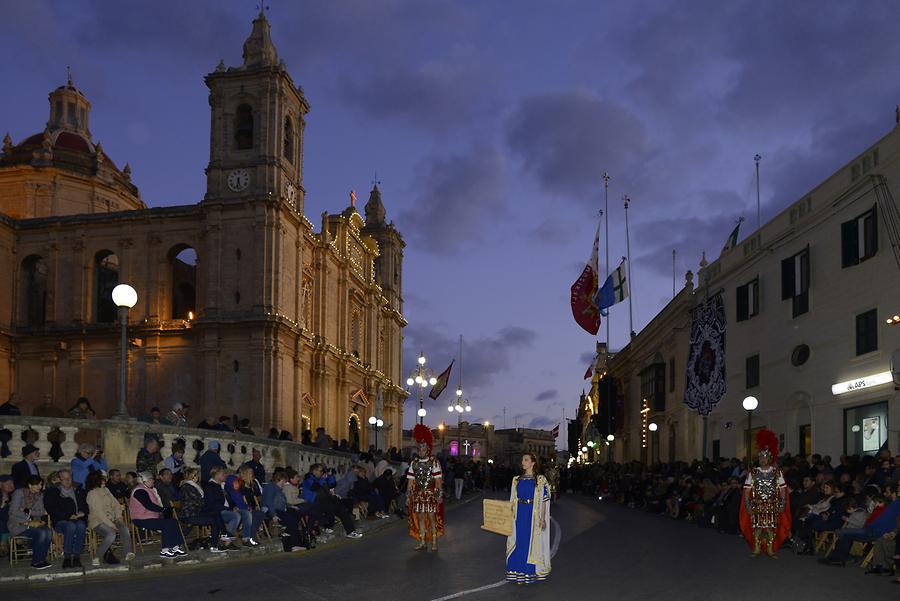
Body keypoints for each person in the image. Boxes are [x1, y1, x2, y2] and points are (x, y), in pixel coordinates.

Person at [739, 429, 791, 558]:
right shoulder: (753, 472)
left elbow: (783, 489)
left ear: (769, 458)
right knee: (757, 527)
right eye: (761, 457)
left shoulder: (776, 472)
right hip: (757, 503)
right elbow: (747, 490)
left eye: (765, 457)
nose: (762, 459)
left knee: (770, 528)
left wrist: (783, 503)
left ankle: (770, 549)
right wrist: (747, 504)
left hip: (772, 503)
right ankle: (756, 548)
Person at [506, 453, 551, 584]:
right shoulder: (516, 479)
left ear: (532, 463)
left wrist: (542, 519)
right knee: (518, 541)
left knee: (529, 543)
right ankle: (518, 571)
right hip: (519, 513)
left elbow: (544, 500)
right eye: (522, 459)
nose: (523, 462)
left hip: (532, 515)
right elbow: (512, 499)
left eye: (526, 460)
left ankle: (528, 572)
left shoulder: (540, 480)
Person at [129, 472, 186, 558]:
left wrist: (164, 509)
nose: (153, 481)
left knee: (173, 522)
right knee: (166, 524)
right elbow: (148, 505)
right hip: (140, 519)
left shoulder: (148, 489)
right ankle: (165, 550)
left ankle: (176, 547)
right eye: (152, 479)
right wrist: (163, 509)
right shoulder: (139, 491)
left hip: (150, 518)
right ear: (145, 480)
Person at [178, 467, 234, 552]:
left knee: (215, 514)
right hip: (189, 515)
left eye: (197, 474)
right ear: (191, 476)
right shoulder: (187, 487)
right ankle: (217, 541)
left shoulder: (195, 486)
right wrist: (209, 503)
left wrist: (209, 503)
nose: (198, 476)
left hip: (197, 512)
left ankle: (219, 539)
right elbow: (199, 502)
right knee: (214, 518)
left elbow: (202, 502)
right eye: (195, 475)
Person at [406, 424, 443, 551]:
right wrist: (408, 495)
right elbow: (410, 481)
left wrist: (438, 495)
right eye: (419, 450)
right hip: (418, 494)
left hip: (431, 494)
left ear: (427, 450)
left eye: (423, 449)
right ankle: (422, 541)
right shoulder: (414, 463)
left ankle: (433, 541)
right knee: (421, 517)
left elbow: (438, 480)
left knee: (432, 518)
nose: (421, 451)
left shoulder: (434, 462)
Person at [43, 468, 88, 568]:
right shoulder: (53, 492)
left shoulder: (79, 490)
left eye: (69, 478)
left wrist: (83, 513)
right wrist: (68, 516)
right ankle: (67, 557)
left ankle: (76, 557)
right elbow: (51, 509)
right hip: (61, 521)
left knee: (81, 526)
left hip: (78, 519)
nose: (68, 481)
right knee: (70, 526)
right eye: (64, 479)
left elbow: (86, 506)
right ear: (59, 480)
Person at [85, 471, 132, 565]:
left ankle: (128, 553)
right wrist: (111, 525)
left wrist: (118, 517)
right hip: (98, 521)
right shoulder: (92, 494)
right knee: (111, 534)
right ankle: (97, 557)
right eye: (102, 479)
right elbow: (99, 513)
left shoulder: (106, 490)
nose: (104, 480)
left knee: (124, 529)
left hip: (112, 518)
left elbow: (116, 504)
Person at [303, 464, 362, 539]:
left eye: (323, 471)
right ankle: (328, 525)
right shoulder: (308, 479)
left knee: (341, 509)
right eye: (321, 471)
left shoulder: (320, 479)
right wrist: (321, 480)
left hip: (327, 500)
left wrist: (330, 476)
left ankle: (350, 531)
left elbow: (332, 484)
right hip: (315, 501)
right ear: (314, 471)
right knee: (332, 507)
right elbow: (314, 487)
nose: (322, 472)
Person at [6, 475, 53, 569]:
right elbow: (13, 512)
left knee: (48, 531)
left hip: (34, 523)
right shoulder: (19, 493)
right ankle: (36, 562)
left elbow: (40, 512)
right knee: (41, 533)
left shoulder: (40, 495)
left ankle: (41, 559)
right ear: (30, 485)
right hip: (17, 525)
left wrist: (28, 512)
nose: (40, 487)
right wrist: (28, 520)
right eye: (38, 485)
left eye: (41, 485)